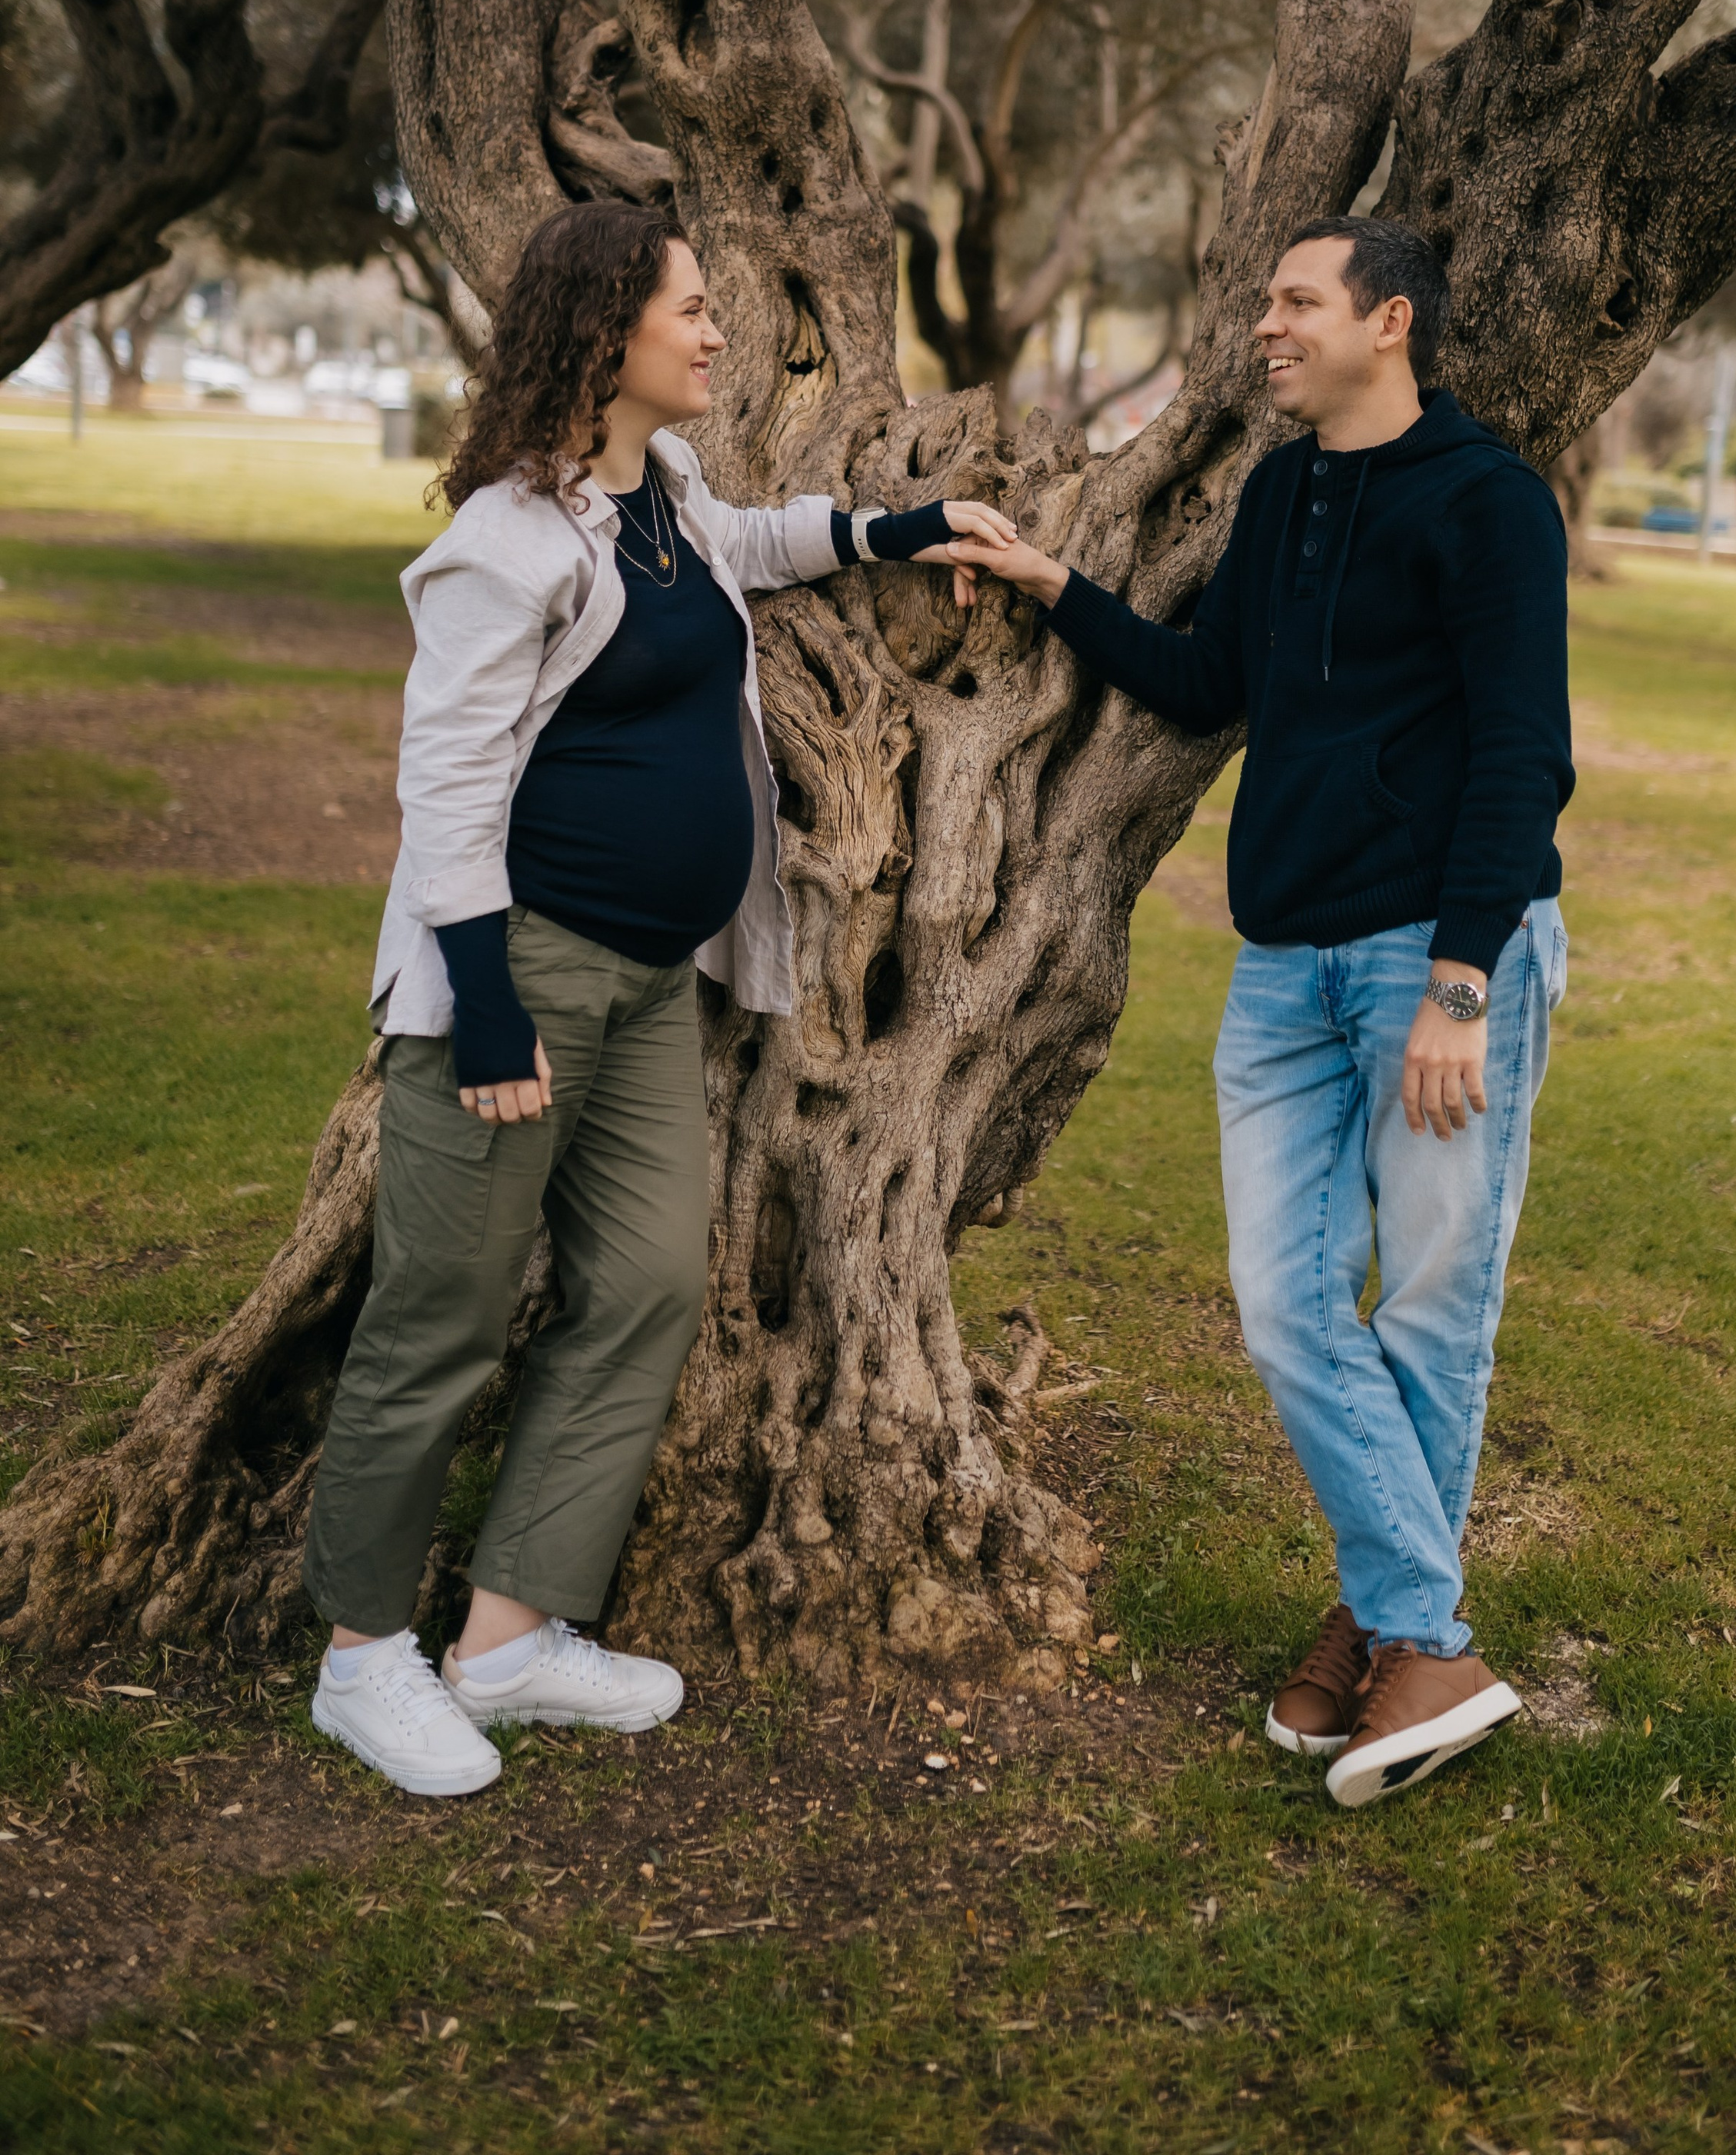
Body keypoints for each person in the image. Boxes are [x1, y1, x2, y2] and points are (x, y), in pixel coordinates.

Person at [304, 203, 1012, 1797]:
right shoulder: (504, 537)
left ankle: (501, 1641)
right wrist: (482, 1007)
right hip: (522, 975)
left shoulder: (665, 489)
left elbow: (747, 552)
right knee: (442, 1317)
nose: (715, 335)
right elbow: (445, 777)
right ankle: (360, 1658)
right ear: (606, 333)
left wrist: (894, 532)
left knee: (640, 1289)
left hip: (650, 984)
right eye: (692, 310)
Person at [957, 215, 1573, 1807]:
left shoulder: (1488, 502)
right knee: (1286, 1302)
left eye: (1293, 303)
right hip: (1282, 962)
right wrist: (1050, 587)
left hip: (1434, 960)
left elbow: (1520, 758)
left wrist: (1458, 983)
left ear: (1387, 320)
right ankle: (1415, 1632)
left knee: (1432, 1307)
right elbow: (1202, 681)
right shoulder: (1282, 489)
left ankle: (1386, 1638)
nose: (1263, 328)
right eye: (1262, 304)